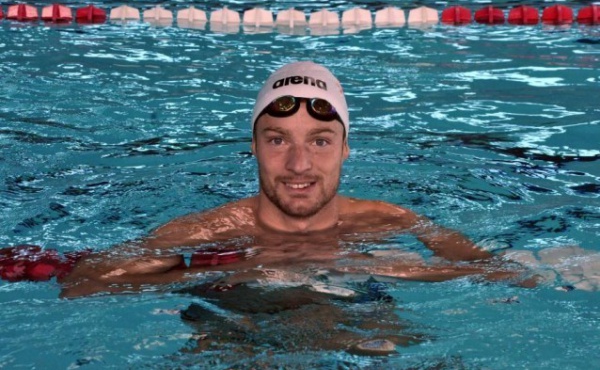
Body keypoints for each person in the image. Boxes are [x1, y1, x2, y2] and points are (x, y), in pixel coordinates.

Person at [59, 61, 532, 300]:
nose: (300, 164)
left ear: (346, 148)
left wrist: (387, 270)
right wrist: (234, 270)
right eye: (278, 140)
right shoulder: (208, 231)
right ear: (253, 146)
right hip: (239, 325)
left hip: (358, 314)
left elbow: (503, 272)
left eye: (321, 141)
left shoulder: (393, 219)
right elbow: (82, 283)